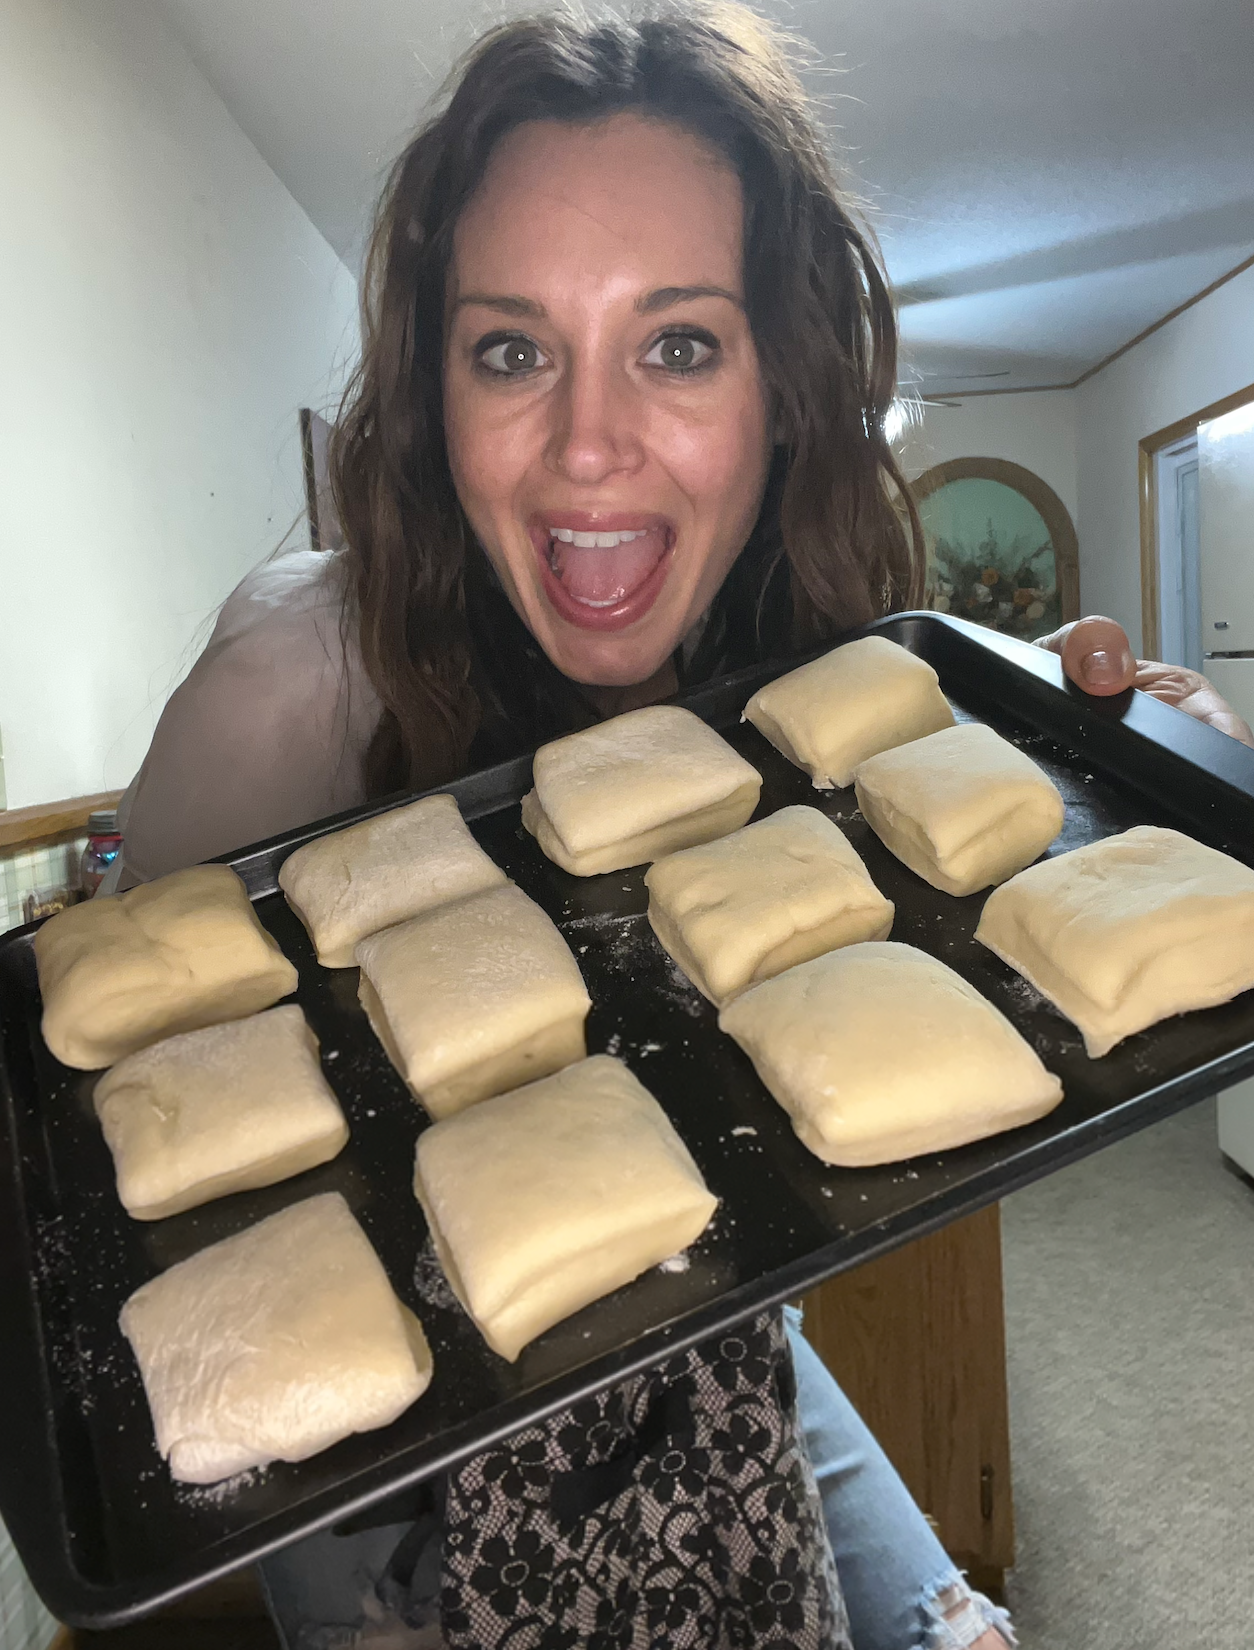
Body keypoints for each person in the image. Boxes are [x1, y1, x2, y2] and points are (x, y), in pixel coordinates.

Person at [108, 7, 1250, 1649]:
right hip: (385, 1490)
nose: (586, 443)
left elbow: (725, 1310)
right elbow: (141, 1163)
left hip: (698, 1346)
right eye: (510, 348)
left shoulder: (798, 647)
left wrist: (1148, 789)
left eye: (676, 343)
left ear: (781, 385)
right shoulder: (289, 695)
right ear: (432, 392)